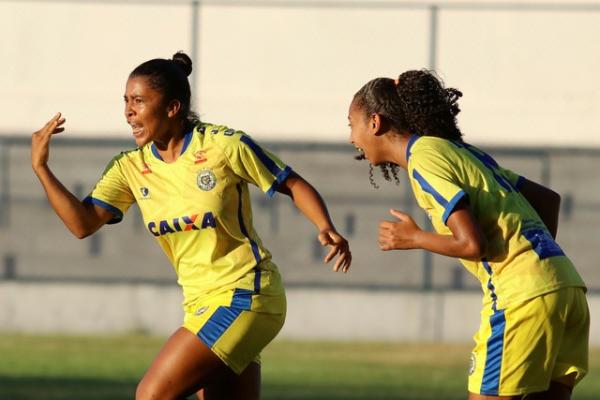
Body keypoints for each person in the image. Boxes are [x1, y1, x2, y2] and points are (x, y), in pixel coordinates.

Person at [31, 51, 351, 400]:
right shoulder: (129, 167)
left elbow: (290, 182)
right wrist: (42, 169)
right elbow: (83, 223)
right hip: (199, 304)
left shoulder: (221, 145)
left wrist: (325, 225)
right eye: (125, 101)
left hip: (246, 295)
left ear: (173, 107)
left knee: (151, 395)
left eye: (138, 101)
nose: (128, 111)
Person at [348, 70, 588, 400]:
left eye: (352, 124)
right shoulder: (463, 152)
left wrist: (413, 237)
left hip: (521, 296)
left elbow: (471, 243)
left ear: (374, 122)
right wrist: (537, 267)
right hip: (565, 287)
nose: (351, 137)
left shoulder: (423, 159)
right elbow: (549, 200)